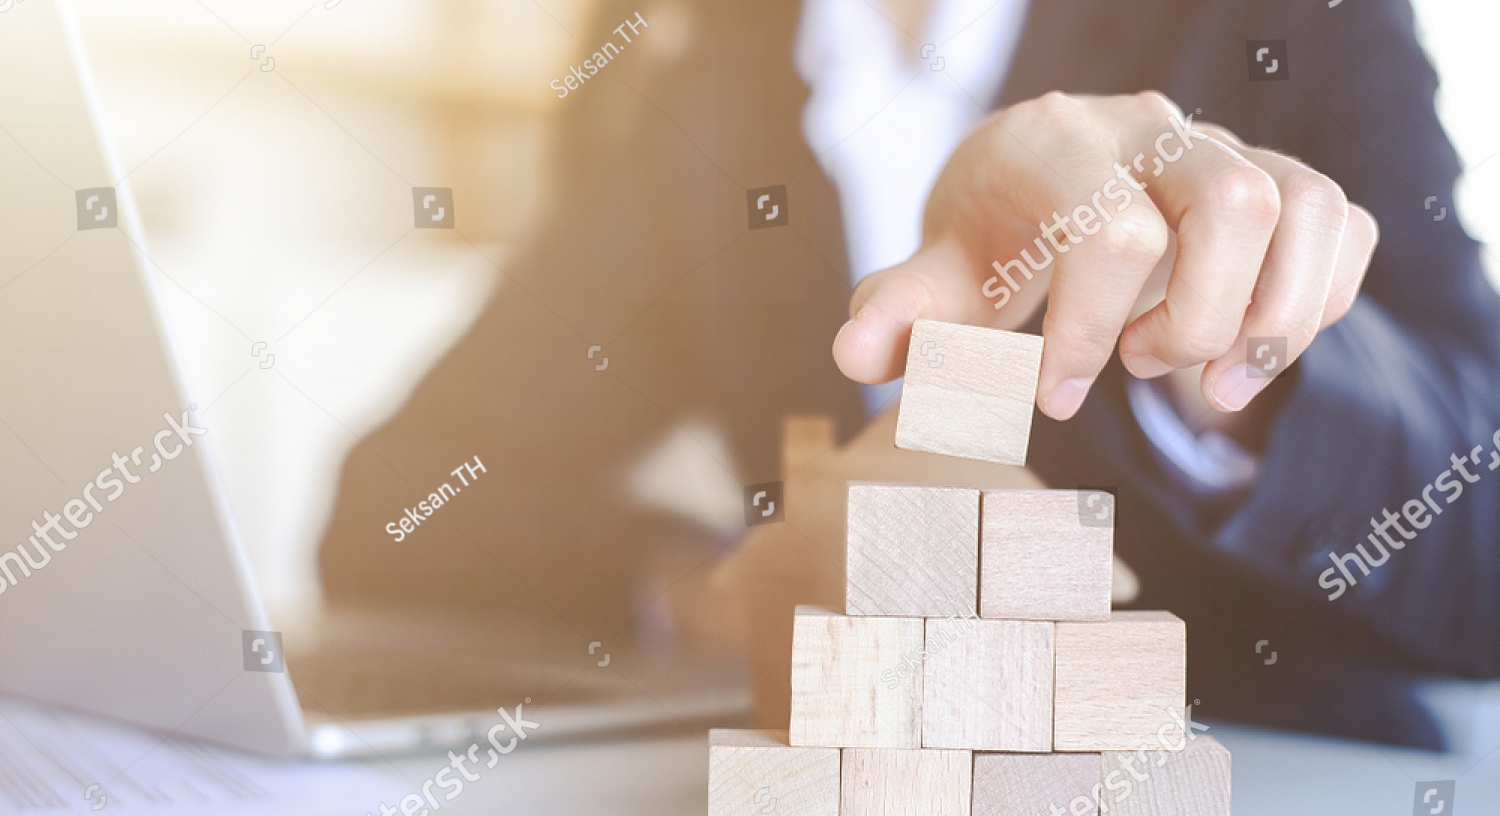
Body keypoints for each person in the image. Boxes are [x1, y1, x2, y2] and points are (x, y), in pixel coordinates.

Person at [318, 0, 1500, 747]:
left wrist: (1226, 367)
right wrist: (735, 594)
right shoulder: (708, 86)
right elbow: (398, 505)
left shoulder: (1299, 18)